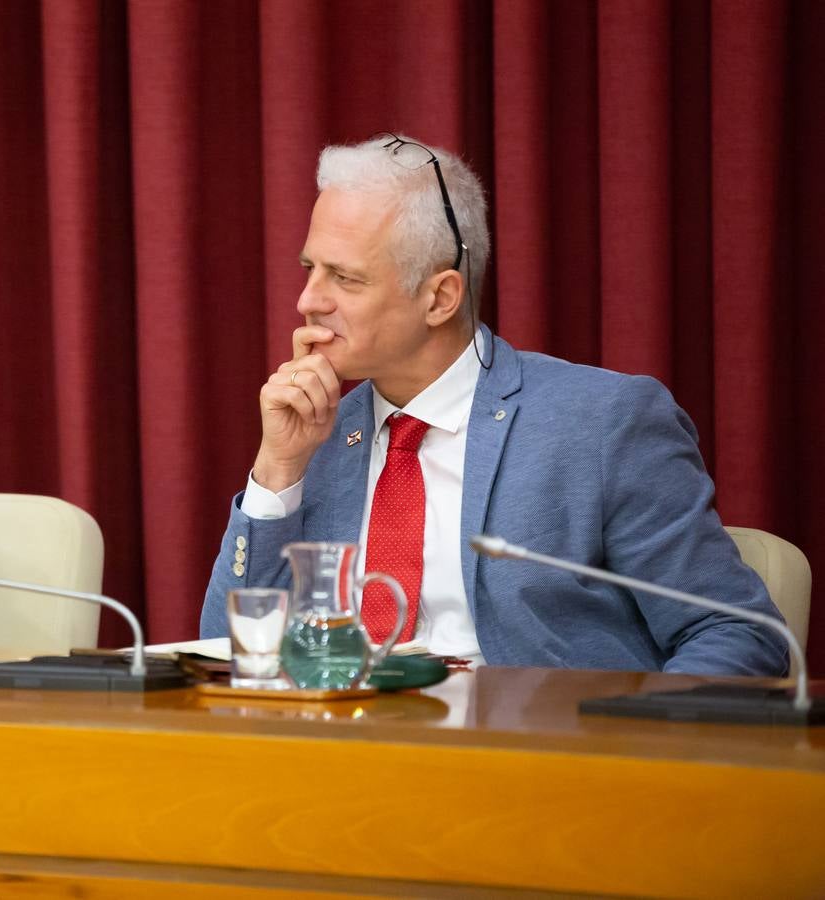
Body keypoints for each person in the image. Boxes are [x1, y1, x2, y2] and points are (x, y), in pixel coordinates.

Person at [200, 133, 786, 676]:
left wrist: (623, 759)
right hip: (341, 764)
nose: (308, 300)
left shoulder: (602, 424)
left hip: (539, 765)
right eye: (309, 269)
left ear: (440, 298)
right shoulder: (316, 435)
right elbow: (227, 652)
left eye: (345, 279)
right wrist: (278, 470)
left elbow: (737, 634)